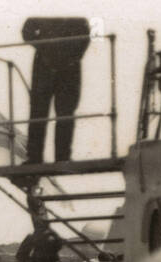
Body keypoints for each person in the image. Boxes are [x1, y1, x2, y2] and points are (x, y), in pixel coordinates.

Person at [22, 17, 91, 166]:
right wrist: (45, 48)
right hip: (53, 66)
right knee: (40, 113)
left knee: (61, 113)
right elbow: (27, 30)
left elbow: (86, 35)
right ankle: (41, 157)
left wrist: (49, 50)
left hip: (62, 66)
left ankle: (59, 157)